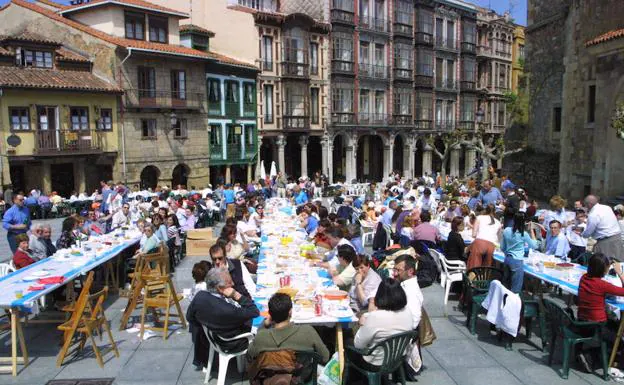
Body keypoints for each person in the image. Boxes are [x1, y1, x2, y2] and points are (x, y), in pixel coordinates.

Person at [186, 267, 259, 370]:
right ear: (220, 288)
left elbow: (190, 317)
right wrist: (236, 295)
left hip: (214, 338)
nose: (233, 284)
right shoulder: (228, 311)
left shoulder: (200, 296)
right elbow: (254, 312)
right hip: (232, 342)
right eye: (229, 282)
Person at [248, 293, 330, 363]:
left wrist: (264, 325)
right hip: (302, 378)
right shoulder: (308, 332)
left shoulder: (261, 337)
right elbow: (325, 357)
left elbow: (249, 356)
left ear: (270, 314)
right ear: (290, 312)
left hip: (270, 378)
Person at [351, 278, 413, 367]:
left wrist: (361, 325)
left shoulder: (375, 317)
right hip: (398, 359)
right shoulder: (407, 311)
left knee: (347, 339)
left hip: (375, 363)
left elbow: (358, 344)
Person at [500, 212, 538, 293]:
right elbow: (535, 246)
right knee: (515, 288)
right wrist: (531, 230)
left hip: (507, 259)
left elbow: (502, 247)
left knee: (506, 285)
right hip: (517, 261)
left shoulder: (506, 230)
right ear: (524, 222)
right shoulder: (524, 234)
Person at [582, 195, 623, 262]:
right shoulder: (607, 207)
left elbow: (588, 233)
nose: (585, 207)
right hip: (617, 238)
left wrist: (582, 233)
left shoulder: (593, 214)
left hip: (605, 241)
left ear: (589, 204)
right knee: (618, 262)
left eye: (585, 205)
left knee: (603, 264)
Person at [393, 255, 423, 329]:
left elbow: (414, 321)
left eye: (398, 270)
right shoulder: (404, 285)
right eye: (394, 270)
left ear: (410, 271)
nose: (395, 274)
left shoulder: (411, 292)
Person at [467, 204, 501, 269]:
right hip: (491, 245)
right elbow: (498, 239)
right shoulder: (498, 223)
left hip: (479, 243)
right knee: (485, 270)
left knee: (474, 269)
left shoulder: (479, 217)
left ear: (485, 210)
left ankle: (472, 279)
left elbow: (474, 235)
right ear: (494, 211)